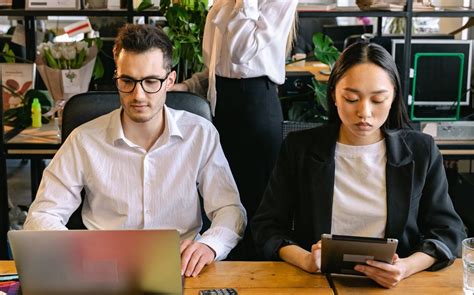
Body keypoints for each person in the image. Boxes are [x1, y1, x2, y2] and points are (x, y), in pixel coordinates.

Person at [24, 24, 247, 278]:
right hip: (103, 271)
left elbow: (229, 209)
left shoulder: (200, 134)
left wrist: (210, 245)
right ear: (117, 78)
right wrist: (79, 253)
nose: (138, 95)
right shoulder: (84, 140)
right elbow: (42, 214)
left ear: (170, 81)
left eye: (151, 81)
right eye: (127, 81)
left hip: (180, 268)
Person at [251, 42, 466, 288]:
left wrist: (405, 267)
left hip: (395, 287)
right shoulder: (300, 148)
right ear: (333, 94)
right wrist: (306, 260)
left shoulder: (421, 151)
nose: (364, 112)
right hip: (315, 285)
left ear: (394, 95)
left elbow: (449, 232)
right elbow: (266, 227)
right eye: (351, 98)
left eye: (378, 99)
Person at [172, 0, 298, 260]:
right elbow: (219, 65)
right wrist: (190, 85)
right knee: (223, 203)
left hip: (254, 109)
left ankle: (255, 283)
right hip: (222, 110)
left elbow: (242, 53)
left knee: (254, 210)